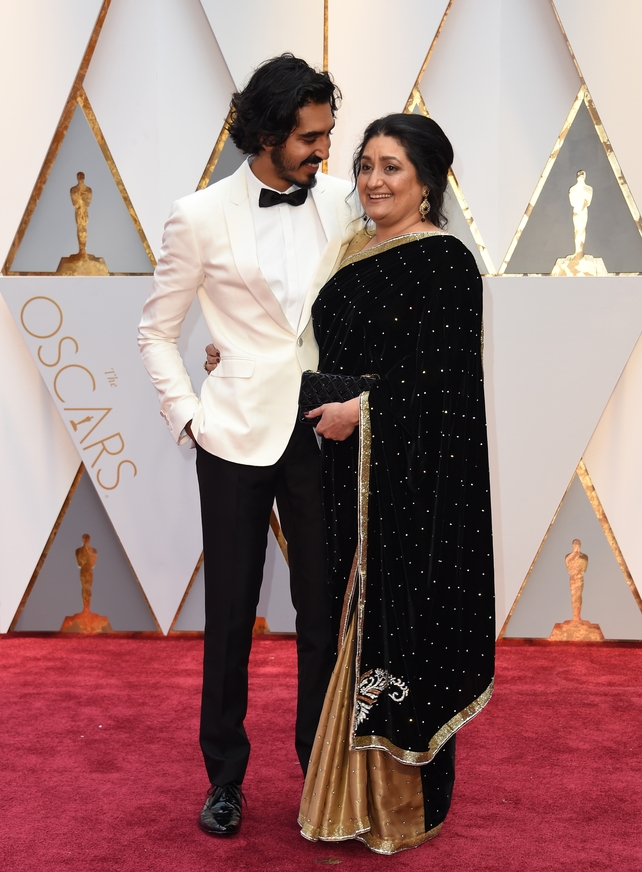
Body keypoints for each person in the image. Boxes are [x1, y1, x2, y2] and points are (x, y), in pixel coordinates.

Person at [138, 54, 360, 837]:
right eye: (310, 137)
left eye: (328, 134)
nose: (325, 151)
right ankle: (225, 778)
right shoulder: (197, 215)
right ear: (265, 134)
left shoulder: (343, 202)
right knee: (230, 613)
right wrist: (190, 418)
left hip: (322, 431)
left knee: (322, 613)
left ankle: (320, 770)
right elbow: (157, 332)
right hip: (231, 438)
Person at [296, 113, 496, 854]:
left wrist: (364, 411)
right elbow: (313, 348)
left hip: (407, 487)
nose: (374, 181)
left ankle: (393, 807)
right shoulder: (351, 249)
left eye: (392, 169)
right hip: (335, 472)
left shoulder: (444, 262)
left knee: (395, 623)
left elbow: (446, 383)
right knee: (333, 623)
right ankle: (337, 792)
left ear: (427, 183)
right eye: (366, 165)